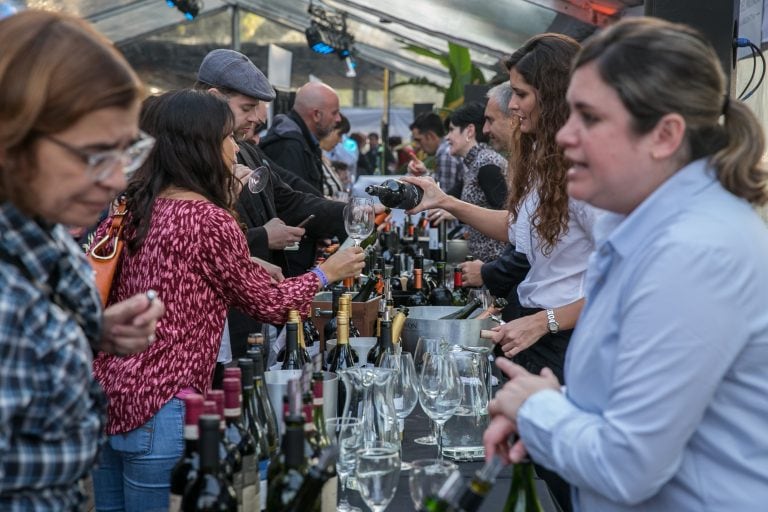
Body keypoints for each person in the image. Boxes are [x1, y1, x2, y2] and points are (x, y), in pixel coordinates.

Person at [484, 17, 768, 512]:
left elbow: (627, 465)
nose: (566, 136)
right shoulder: (654, 229)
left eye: (589, 118)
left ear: (663, 136)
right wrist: (561, 407)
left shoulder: (694, 253)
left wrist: (539, 409)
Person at [89, 89, 364, 510]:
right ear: (200, 146)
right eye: (226, 137)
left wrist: (246, 260)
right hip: (162, 402)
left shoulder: (135, 203)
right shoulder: (208, 218)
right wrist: (329, 272)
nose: (235, 146)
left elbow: (174, 272)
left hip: (110, 394)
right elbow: (271, 306)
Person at [405, 33, 595, 512]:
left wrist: (543, 321)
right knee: (551, 480)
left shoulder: (589, 172)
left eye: (522, 95)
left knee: (575, 485)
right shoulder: (543, 164)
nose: (513, 108)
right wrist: (446, 201)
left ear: (555, 96)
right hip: (534, 335)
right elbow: (518, 230)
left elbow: (621, 285)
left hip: (565, 341)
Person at [0, 10, 165, 510]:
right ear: (12, 140)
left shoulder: (44, 236)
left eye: (127, 152)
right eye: (94, 155)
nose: (116, 179)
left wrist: (88, 328)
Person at [445, 101, 508, 262]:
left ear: (470, 131)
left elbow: (507, 216)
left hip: (494, 265)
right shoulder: (475, 164)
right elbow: (445, 197)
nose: (447, 137)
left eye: (451, 130)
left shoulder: (486, 164)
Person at [260, 81, 341, 194]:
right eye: (334, 113)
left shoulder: (301, 142)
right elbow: (293, 202)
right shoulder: (288, 147)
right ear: (316, 115)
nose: (338, 119)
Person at [408, 112, 466, 195]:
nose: (417, 146)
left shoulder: (445, 153)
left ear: (431, 136)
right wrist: (423, 173)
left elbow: (444, 197)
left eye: (419, 140)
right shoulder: (445, 149)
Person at [319, 115, 351, 199]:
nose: (340, 141)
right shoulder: (313, 156)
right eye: (340, 134)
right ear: (329, 129)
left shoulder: (321, 155)